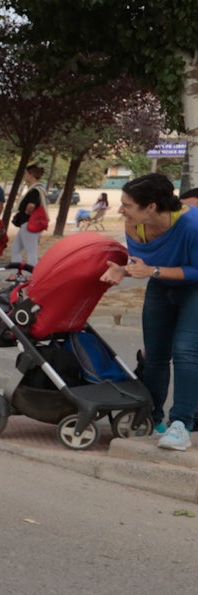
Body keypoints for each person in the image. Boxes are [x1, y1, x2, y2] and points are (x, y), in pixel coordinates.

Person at [100, 173, 198, 451]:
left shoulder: (192, 226)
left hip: (194, 289)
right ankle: (152, 420)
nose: (121, 210)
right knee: (154, 355)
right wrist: (123, 269)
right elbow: (139, 260)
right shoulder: (134, 225)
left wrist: (153, 271)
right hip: (160, 288)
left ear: (151, 206)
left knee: (186, 351)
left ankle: (181, 425)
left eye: (128, 204)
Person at [10, 163, 46, 272]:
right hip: (25, 224)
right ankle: (14, 273)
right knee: (16, 249)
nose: (25, 176)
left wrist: (26, 212)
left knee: (31, 251)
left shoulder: (35, 190)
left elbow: (31, 205)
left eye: (26, 173)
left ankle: (32, 275)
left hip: (29, 224)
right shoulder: (35, 189)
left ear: (31, 174)